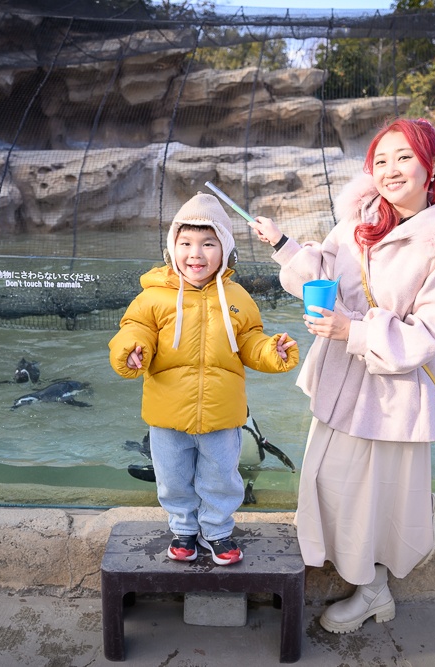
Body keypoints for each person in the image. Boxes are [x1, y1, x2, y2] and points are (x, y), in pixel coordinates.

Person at [247, 118, 435, 632]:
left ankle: (373, 591)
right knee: (323, 479)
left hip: (391, 390)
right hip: (342, 379)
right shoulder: (360, 219)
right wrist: (284, 245)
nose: (391, 170)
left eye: (404, 157)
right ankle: (413, 511)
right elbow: (324, 274)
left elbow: (433, 331)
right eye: (380, 160)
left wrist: (354, 331)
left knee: (367, 498)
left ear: (432, 165)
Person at [109, 192, 299, 565]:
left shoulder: (237, 296)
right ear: (172, 248)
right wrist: (131, 349)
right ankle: (183, 529)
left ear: (225, 249)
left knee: (221, 478)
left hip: (222, 415)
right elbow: (134, 328)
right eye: (186, 243)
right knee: (172, 477)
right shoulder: (153, 296)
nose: (195, 253)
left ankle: (217, 531)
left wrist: (270, 351)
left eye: (208, 243)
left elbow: (250, 340)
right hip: (168, 414)